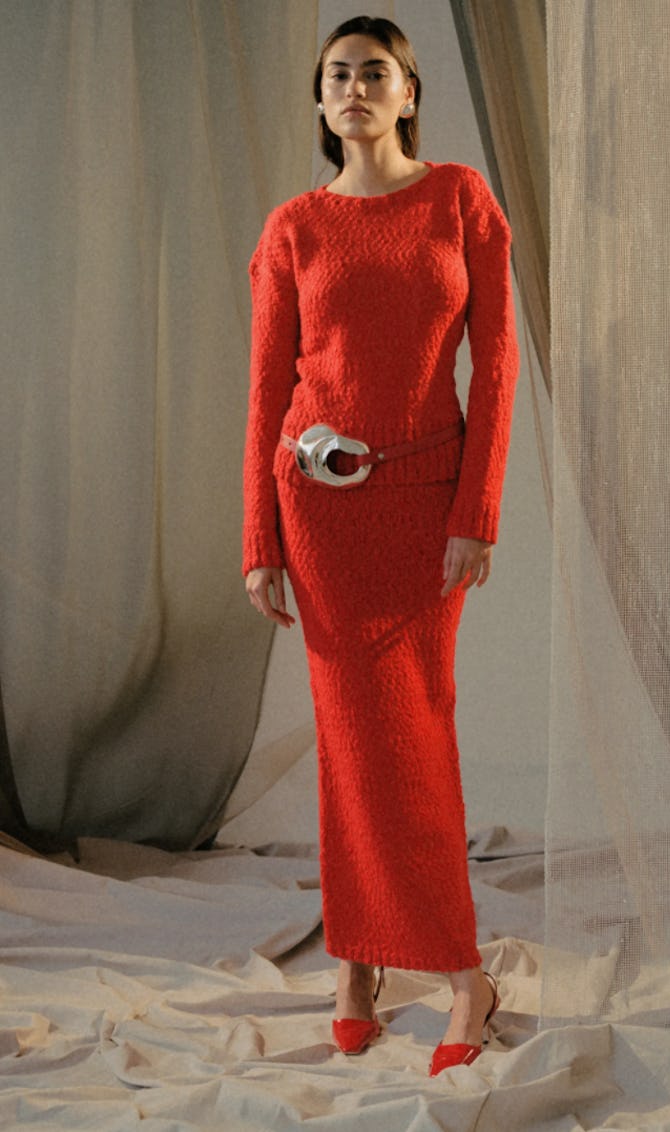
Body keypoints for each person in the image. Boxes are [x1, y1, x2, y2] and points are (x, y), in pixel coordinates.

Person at [243, 14, 519, 1076]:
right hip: (317, 511)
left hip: (423, 509)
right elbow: (268, 389)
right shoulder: (293, 229)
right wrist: (257, 534)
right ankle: (358, 962)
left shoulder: (460, 202)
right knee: (351, 741)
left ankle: (460, 971)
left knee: (414, 736)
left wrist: (474, 514)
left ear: (409, 94)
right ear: (321, 104)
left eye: (375, 74)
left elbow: (492, 372)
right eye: (337, 75)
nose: (354, 88)